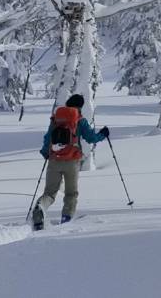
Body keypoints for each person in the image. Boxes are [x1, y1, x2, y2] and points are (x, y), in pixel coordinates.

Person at [34, 93, 109, 227]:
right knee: (71, 193)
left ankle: (40, 207)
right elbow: (91, 138)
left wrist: (46, 152)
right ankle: (66, 221)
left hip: (54, 160)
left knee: (50, 193)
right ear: (80, 106)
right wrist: (103, 134)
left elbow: (48, 138)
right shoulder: (80, 120)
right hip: (72, 162)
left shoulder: (56, 119)